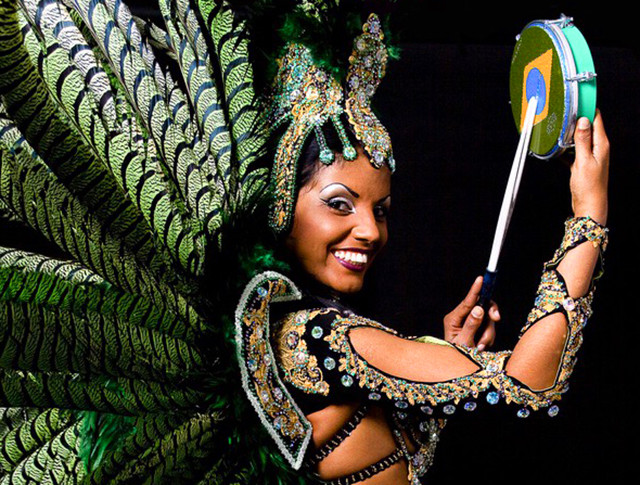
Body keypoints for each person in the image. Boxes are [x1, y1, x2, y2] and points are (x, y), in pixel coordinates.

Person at [234, 15, 610, 485]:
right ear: (280, 206)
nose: (370, 231)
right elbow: (530, 383)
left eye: (381, 210)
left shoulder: (300, 334)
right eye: (339, 204)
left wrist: (450, 354)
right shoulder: (316, 336)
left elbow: (385, 453)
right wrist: (589, 216)